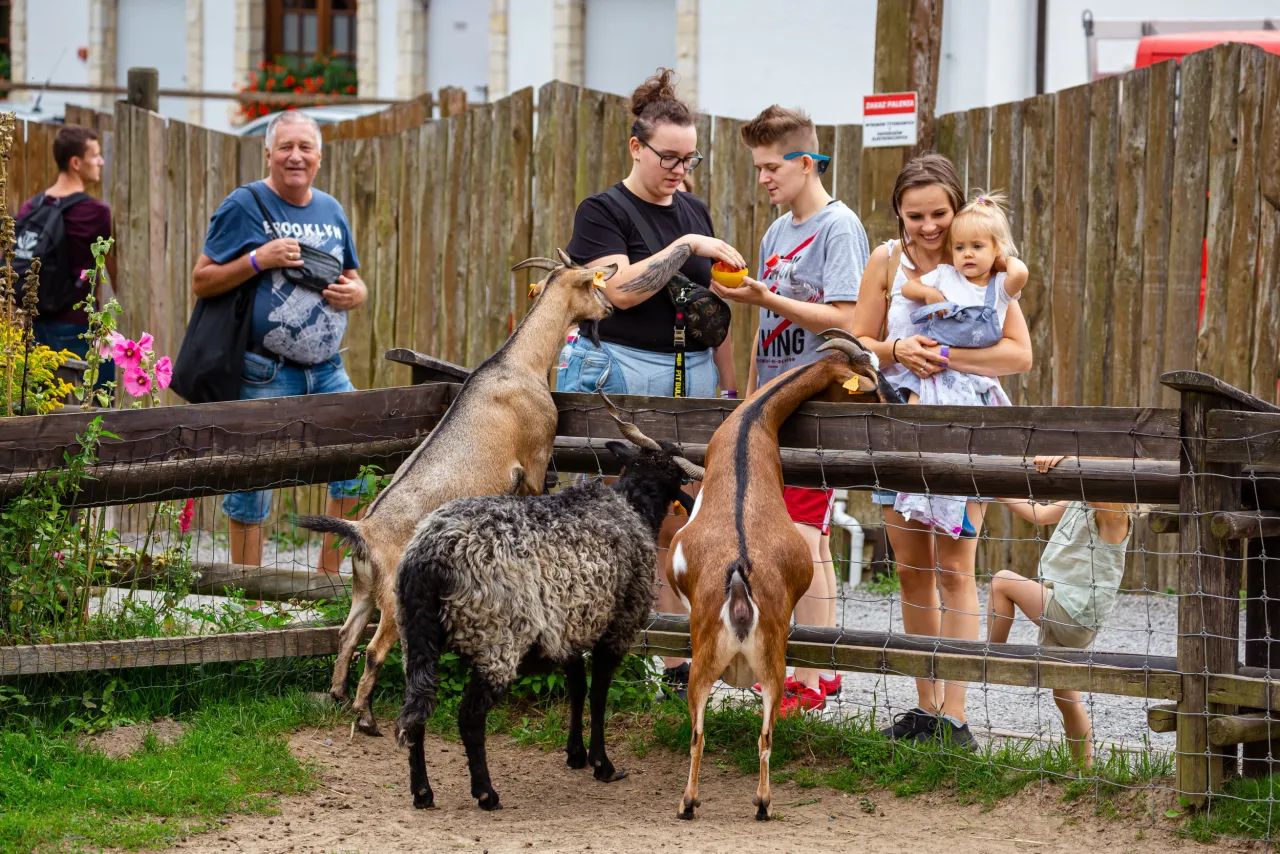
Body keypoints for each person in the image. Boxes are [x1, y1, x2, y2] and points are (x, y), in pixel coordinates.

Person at [561, 68, 745, 699]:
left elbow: (711, 303)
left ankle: (674, 664)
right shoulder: (602, 213)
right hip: (625, 371)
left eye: (689, 158)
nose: (679, 170)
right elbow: (614, 289)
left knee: (680, 523)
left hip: (693, 373)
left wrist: (730, 388)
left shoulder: (694, 205)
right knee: (618, 517)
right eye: (669, 157)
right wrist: (687, 242)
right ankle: (593, 652)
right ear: (636, 147)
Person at [851, 154, 1033, 750]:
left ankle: (956, 713)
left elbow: (1018, 355)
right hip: (900, 428)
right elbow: (856, 344)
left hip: (965, 430)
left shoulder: (983, 263)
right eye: (915, 216)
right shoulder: (886, 261)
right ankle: (924, 706)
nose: (929, 227)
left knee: (956, 568)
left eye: (939, 214)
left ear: (959, 211)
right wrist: (899, 349)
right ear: (899, 216)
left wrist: (951, 359)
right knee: (910, 570)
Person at [716, 104, 870, 714]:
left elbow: (848, 321)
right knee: (805, 538)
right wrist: (752, 395)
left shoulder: (839, 227)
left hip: (818, 402)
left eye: (771, 167)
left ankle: (811, 677)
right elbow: (765, 323)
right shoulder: (776, 232)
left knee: (806, 536)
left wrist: (765, 295)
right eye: (757, 168)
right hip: (773, 402)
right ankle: (814, 669)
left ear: (807, 163)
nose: (763, 180)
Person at [191, 110, 368, 574]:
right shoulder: (242, 205)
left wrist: (357, 293)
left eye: (305, 147)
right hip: (264, 370)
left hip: (328, 368)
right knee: (251, 485)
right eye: (285, 147)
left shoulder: (331, 210)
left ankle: (331, 588)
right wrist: (257, 259)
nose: (295, 156)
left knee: (358, 468)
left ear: (319, 157)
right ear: (267, 153)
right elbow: (202, 280)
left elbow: (354, 278)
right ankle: (248, 606)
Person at [893, 191, 1028, 537]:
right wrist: (927, 294)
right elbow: (907, 288)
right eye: (960, 247)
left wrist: (1002, 260)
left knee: (968, 445)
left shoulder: (999, 288)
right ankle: (917, 490)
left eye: (978, 247)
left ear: (996, 250)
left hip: (971, 377)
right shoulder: (943, 276)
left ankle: (959, 509)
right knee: (916, 419)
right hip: (933, 373)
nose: (967, 254)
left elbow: (1021, 272)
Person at [989, 455, 1135, 769]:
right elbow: (1039, 514)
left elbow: (1097, 484)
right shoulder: (1079, 497)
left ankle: (991, 657)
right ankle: (1083, 770)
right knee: (1066, 697)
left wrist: (1069, 462)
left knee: (1002, 581)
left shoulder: (1114, 515)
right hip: (1064, 608)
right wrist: (994, 489)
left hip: (1072, 613)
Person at [16, 125, 115, 381]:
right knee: (93, 405)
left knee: (41, 405)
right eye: (95, 156)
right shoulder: (96, 213)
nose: (100, 162)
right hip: (76, 328)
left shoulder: (31, 206)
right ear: (76, 162)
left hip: (34, 326)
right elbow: (107, 267)